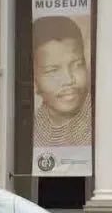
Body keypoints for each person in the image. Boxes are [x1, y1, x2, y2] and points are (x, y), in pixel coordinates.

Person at [32, 15, 92, 147]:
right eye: (53, 71)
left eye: (77, 65)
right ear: (34, 81)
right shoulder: (33, 129)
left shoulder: (101, 121)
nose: (69, 80)